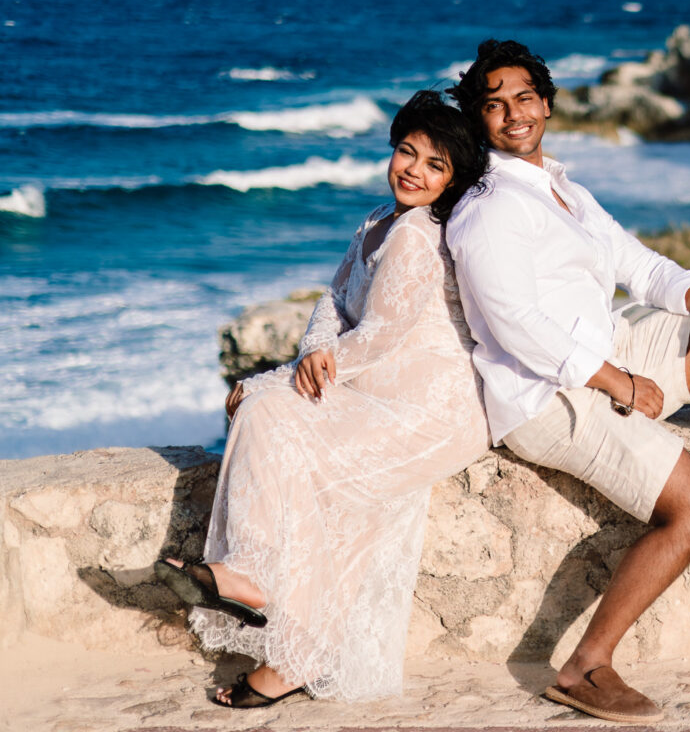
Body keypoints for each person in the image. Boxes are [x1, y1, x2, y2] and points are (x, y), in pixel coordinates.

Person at [445, 38, 690, 725]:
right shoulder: (488, 206)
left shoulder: (563, 189)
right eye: (494, 104)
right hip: (546, 397)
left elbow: (641, 265)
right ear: (478, 119)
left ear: (547, 103)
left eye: (524, 97)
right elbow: (514, 324)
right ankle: (584, 667)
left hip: (602, 353)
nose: (513, 113)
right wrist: (619, 382)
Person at [155, 90, 491, 707]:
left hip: (430, 409)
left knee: (269, 412)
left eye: (434, 165)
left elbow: (381, 337)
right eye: (406, 152)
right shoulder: (378, 219)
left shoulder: (418, 236)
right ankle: (282, 634)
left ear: (452, 180)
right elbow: (332, 301)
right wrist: (310, 349)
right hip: (376, 388)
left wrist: (272, 378)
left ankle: (259, 591)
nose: (413, 171)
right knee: (276, 425)